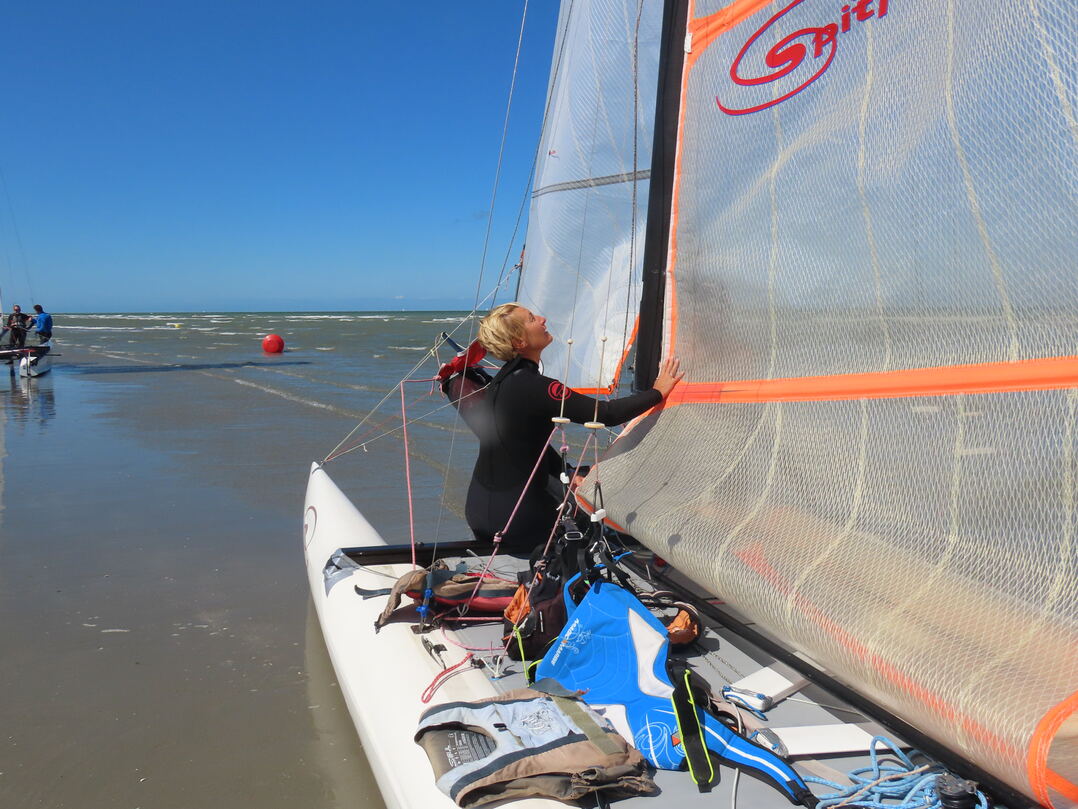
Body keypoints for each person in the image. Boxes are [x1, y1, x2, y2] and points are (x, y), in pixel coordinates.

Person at [466, 302, 684, 553]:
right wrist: (658, 392)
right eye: (531, 319)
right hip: (517, 521)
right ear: (519, 342)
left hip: (480, 512)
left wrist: (567, 472)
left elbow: (524, 445)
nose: (542, 319)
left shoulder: (500, 383)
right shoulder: (535, 387)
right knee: (600, 530)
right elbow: (606, 414)